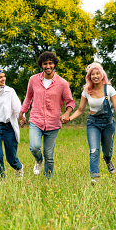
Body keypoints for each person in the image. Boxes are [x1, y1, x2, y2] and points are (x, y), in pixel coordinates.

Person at [68, 63, 116, 183]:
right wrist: (68, 119)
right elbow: (80, 110)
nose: (95, 76)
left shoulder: (109, 89)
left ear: (102, 75)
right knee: (94, 150)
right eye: (92, 74)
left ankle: (108, 160)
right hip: (93, 123)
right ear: (89, 77)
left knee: (107, 150)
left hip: (108, 123)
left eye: (97, 73)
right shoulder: (86, 91)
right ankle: (95, 177)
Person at [19, 51, 75, 179]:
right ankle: (38, 160)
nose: (48, 66)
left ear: (54, 64)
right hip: (35, 120)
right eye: (45, 64)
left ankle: (47, 181)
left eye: (50, 63)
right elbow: (28, 98)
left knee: (49, 155)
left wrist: (67, 113)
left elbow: (70, 101)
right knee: (34, 147)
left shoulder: (63, 83)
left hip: (53, 123)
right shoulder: (33, 80)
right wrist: (22, 114)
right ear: (41, 65)